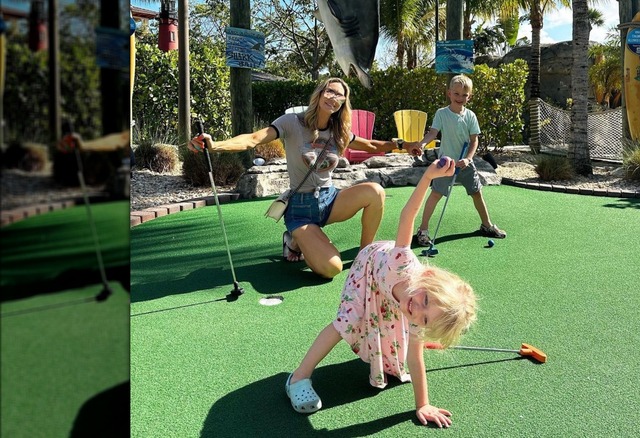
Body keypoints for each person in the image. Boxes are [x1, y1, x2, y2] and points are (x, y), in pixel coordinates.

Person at [284, 156, 478, 428]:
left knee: (398, 328)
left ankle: (384, 356)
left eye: (424, 318)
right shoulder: (404, 261)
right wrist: (427, 178)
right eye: (423, 301)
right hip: (370, 268)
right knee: (347, 322)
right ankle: (298, 377)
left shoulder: (417, 313)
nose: (415, 309)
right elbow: (408, 215)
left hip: (388, 288)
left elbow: (415, 355)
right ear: (428, 278)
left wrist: (422, 404)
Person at [188, 77, 422, 278]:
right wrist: (215, 145)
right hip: (300, 208)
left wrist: (403, 145)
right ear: (320, 94)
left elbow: (371, 145)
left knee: (375, 191)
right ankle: (293, 240)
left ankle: (364, 255)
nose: (333, 97)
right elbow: (253, 139)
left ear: (343, 102)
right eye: (329, 91)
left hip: (329, 201)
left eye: (339, 95)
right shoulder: (291, 123)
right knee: (332, 269)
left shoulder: (338, 130)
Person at [407, 74, 507, 246]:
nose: (460, 98)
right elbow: (432, 133)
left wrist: (468, 159)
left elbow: (474, 140)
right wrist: (422, 144)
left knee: (477, 193)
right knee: (436, 194)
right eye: (456, 94)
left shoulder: (470, 116)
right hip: (445, 164)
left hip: (465, 163)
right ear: (449, 93)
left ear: (470, 96)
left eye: (464, 95)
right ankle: (423, 230)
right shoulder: (442, 114)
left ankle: (487, 225)